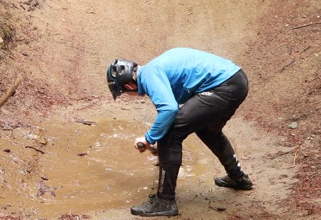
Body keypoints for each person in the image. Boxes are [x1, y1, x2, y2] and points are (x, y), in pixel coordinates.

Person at [106, 47, 253, 217]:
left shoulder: (149, 75)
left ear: (128, 85)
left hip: (224, 86)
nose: (127, 95)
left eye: (123, 92)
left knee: (169, 134)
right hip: (235, 81)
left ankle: (165, 201)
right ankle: (238, 178)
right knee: (208, 131)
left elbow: (169, 109)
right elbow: (170, 112)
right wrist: (158, 146)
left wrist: (149, 138)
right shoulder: (153, 71)